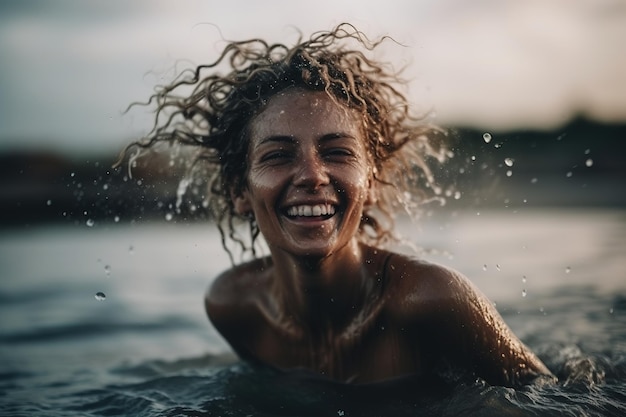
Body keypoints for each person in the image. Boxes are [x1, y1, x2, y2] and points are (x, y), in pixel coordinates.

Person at [120, 24, 555, 387]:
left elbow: (554, 401)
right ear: (239, 190)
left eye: (337, 152)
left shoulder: (432, 300)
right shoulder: (234, 308)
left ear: (372, 182)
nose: (312, 175)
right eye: (277, 155)